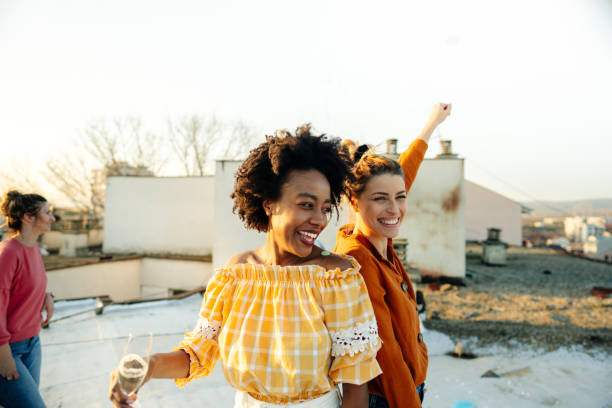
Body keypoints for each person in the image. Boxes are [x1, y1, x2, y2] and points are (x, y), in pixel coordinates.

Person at [109, 125, 383, 408]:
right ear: (268, 204)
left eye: (325, 208)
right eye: (306, 204)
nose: (319, 219)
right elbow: (197, 354)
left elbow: (355, 386)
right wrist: (148, 366)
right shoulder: (235, 274)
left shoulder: (336, 278)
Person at [334, 103, 452, 408]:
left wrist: (430, 126)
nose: (395, 209)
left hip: (405, 389)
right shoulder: (358, 259)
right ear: (354, 201)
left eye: (401, 197)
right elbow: (385, 354)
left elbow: (401, 176)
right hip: (389, 397)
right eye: (380, 199)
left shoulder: (375, 232)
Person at [0, 190, 56, 408]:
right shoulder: (8, 253)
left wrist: (46, 295)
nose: (52, 218)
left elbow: (23, 284)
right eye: (47, 213)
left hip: (33, 343)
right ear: (28, 217)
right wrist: (3, 356)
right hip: (9, 349)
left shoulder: (32, 248)